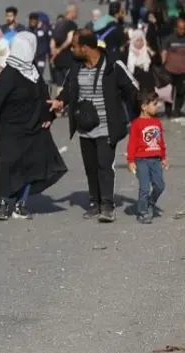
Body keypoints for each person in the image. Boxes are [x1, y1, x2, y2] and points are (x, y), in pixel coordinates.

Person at [48, 29, 138, 222]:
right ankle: (95, 203)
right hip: (85, 127)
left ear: (85, 47)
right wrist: (60, 102)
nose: (71, 50)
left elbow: (131, 91)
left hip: (107, 125)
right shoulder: (75, 66)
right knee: (90, 167)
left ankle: (107, 206)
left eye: (74, 46)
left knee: (104, 165)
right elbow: (68, 89)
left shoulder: (113, 65)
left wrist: (141, 117)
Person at [0, 32, 67, 220]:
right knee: (8, 164)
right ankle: (3, 202)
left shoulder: (33, 72)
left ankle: (21, 204)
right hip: (9, 129)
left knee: (31, 164)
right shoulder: (9, 73)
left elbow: (43, 97)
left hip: (32, 126)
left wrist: (49, 115)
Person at [127, 91, 167, 224]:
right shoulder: (136, 124)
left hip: (156, 160)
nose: (157, 107)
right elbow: (132, 143)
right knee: (144, 188)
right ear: (144, 107)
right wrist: (131, 161)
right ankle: (142, 212)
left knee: (160, 186)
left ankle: (150, 202)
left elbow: (161, 142)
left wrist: (163, 157)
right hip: (142, 161)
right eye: (154, 104)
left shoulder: (157, 123)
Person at [51, 5, 78, 95]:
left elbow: (52, 40)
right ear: (72, 12)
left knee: (59, 83)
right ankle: (67, 105)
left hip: (57, 59)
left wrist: (54, 51)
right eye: (76, 12)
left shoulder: (59, 24)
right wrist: (59, 49)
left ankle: (59, 103)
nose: (77, 14)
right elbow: (69, 40)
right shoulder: (71, 24)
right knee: (69, 81)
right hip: (67, 58)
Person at [162, 16, 185, 118]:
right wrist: (162, 66)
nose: (182, 31)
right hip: (169, 70)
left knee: (181, 91)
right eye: (180, 28)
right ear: (175, 28)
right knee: (169, 92)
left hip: (182, 71)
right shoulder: (169, 39)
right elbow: (164, 52)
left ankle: (177, 110)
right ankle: (168, 112)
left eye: (184, 29)